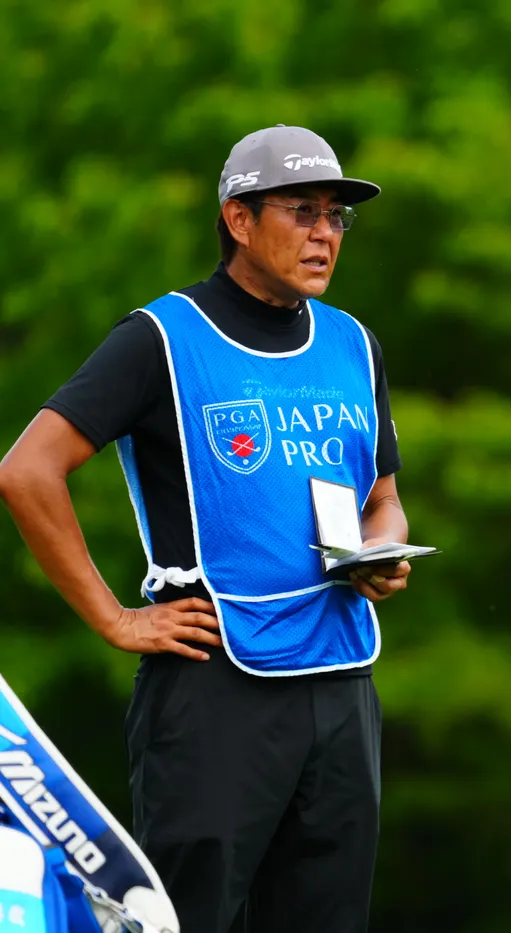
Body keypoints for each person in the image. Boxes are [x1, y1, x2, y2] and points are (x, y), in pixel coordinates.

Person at [0, 124, 413, 933]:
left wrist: (380, 549)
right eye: (301, 211)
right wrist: (116, 618)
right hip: (215, 685)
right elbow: (26, 471)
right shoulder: (162, 336)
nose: (325, 233)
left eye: (335, 215)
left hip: (341, 685)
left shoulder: (353, 343)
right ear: (238, 219)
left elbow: (384, 496)